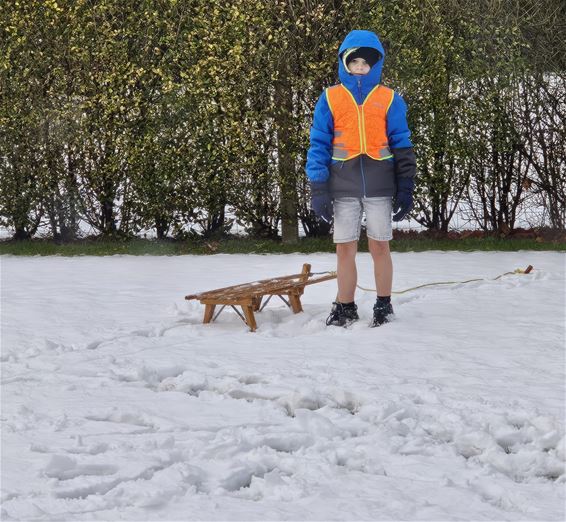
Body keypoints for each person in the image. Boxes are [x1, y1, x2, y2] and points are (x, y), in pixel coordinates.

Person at [306, 29, 416, 327]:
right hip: (342, 185)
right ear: (344, 62)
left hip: (380, 183)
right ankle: (345, 306)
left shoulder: (389, 98)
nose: (359, 68)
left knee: (380, 245)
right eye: (353, 62)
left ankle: (383, 304)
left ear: (375, 65)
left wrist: (406, 184)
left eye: (366, 63)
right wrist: (318, 187)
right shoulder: (329, 98)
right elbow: (319, 143)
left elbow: (401, 141)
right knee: (345, 247)